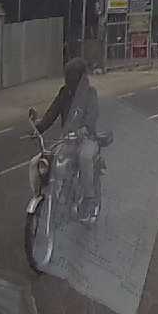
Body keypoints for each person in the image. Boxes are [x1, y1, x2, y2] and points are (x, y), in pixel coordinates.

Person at [28, 57, 101, 220]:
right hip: (67, 140)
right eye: (67, 75)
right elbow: (52, 113)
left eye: (72, 76)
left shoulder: (90, 93)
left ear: (80, 77)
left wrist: (85, 128)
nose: (68, 79)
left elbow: (93, 114)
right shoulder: (64, 93)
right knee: (40, 161)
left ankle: (89, 199)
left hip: (87, 139)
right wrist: (38, 128)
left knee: (85, 158)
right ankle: (44, 194)